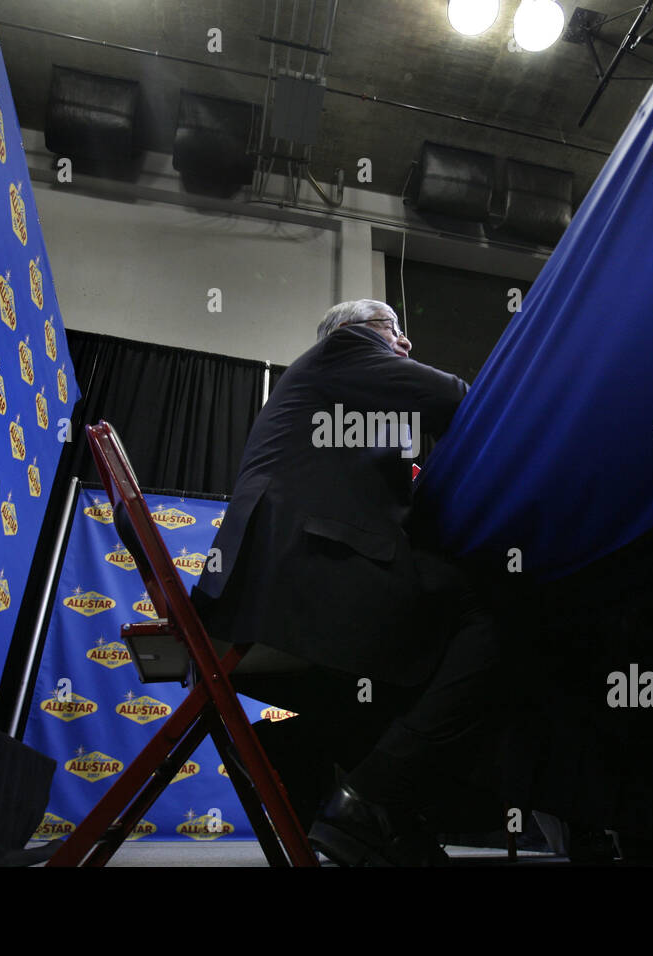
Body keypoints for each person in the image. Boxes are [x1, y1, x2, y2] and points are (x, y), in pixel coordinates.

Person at [192, 299, 504, 865]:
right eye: (395, 330)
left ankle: (342, 786)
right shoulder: (347, 347)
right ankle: (369, 799)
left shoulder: (341, 398)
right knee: (489, 613)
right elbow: (455, 397)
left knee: (406, 669)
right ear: (356, 329)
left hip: (283, 579)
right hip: (301, 572)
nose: (405, 344)